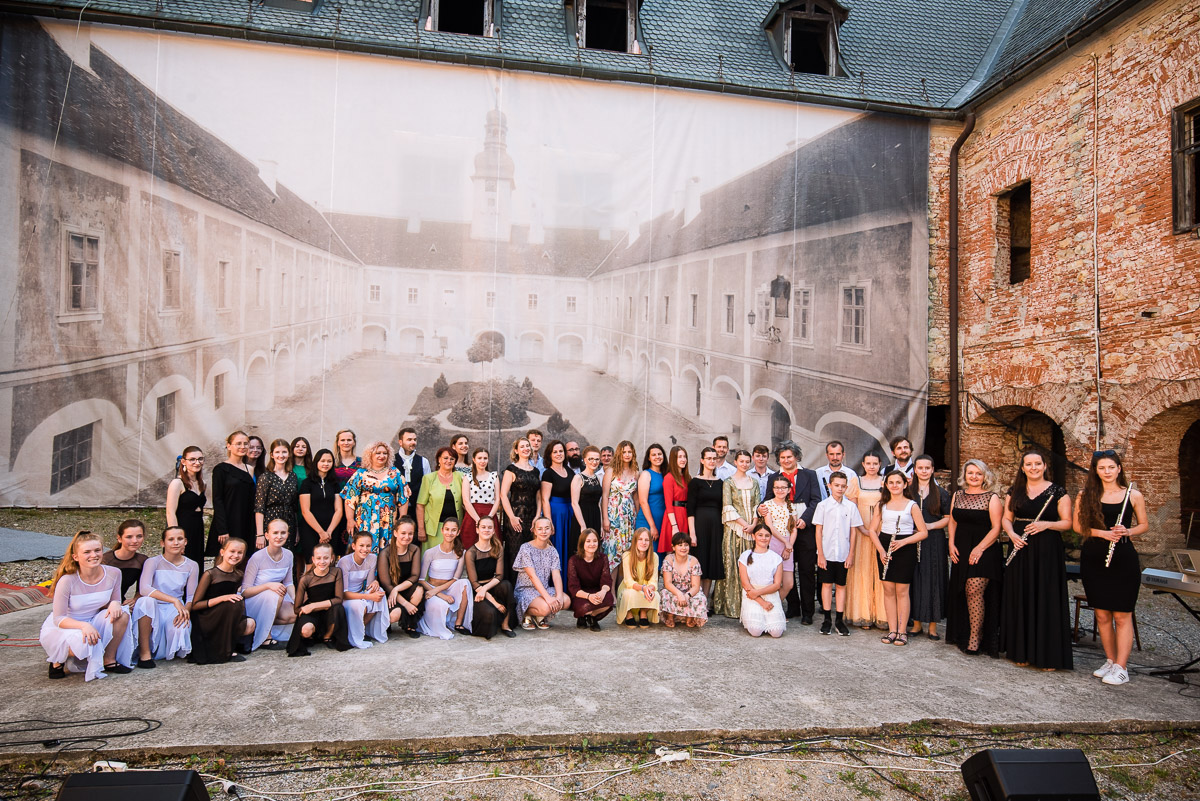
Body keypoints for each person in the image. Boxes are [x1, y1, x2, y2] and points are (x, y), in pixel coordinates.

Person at [1075, 450, 1148, 686]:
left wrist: (1127, 531)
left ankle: (1121, 667)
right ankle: (1110, 660)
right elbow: (1078, 526)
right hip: (1094, 556)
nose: (1107, 472)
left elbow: (1144, 525)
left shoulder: (1132, 495)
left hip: (1123, 557)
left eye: (1111, 467)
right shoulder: (1085, 495)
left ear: (1119, 468)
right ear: (1096, 471)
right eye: (1101, 468)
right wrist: (1103, 533)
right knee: (1102, 614)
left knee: (1122, 614)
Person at [1000, 448, 1074, 670]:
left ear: (1044, 466)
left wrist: (1046, 524)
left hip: (1047, 550)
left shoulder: (1058, 492)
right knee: (1020, 596)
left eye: (1037, 464)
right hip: (1020, 546)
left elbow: (1068, 523)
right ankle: (1020, 651)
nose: (1033, 468)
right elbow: (1006, 518)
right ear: (1023, 468)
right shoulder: (1015, 491)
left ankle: (1047, 656)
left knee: (1046, 597)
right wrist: (1012, 535)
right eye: (1029, 464)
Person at [40, 531, 133, 680]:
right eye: (87, 552)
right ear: (76, 557)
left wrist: (115, 604)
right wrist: (83, 626)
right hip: (68, 624)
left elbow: (115, 599)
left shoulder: (114, 573)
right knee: (85, 645)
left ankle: (109, 659)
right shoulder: (67, 580)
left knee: (122, 615)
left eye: (97, 550)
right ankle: (58, 659)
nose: (94, 555)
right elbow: (58, 618)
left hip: (94, 618)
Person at [946, 459, 1004, 656]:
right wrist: (951, 543)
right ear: (965, 475)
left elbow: (997, 528)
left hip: (985, 550)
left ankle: (975, 637)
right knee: (962, 590)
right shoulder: (958, 495)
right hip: (961, 548)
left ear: (984, 476)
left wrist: (979, 549)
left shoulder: (992, 498)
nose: (974, 476)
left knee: (973, 589)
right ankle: (962, 632)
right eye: (970, 473)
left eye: (978, 473)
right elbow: (952, 521)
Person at [868, 470, 928, 646]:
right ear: (886, 485)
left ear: (905, 484)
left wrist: (904, 543)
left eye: (898, 482)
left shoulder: (912, 505)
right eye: (891, 482)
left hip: (904, 547)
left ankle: (902, 632)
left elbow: (923, 532)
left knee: (902, 591)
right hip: (885, 545)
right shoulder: (882, 504)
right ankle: (892, 630)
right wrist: (880, 550)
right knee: (888, 590)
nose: (894, 485)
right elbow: (872, 530)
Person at [763, 443, 821, 622]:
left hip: (804, 527)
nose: (786, 460)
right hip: (781, 531)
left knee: (806, 570)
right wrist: (761, 509)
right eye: (782, 457)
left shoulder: (809, 474)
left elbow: (816, 500)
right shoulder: (774, 476)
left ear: (796, 456)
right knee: (785, 569)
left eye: (789, 457)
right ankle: (793, 606)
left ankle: (808, 611)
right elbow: (766, 500)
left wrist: (805, 519)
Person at [133, 526, 199, 668]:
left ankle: (166, 648)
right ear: (163, 543)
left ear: (185, 542)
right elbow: (144, 588)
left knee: (180, 627)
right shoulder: (153, 562)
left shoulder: (192, 565)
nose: (176, 542)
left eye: (180, 539)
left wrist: (186, 610)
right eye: (171, 539)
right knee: (145, 602)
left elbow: (191, 596)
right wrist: (173, 600)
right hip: (153, 604)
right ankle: (145, 653)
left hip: (174, 607)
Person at [814, 472, 866, 637]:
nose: (840, 488)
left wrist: (850, 554)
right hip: (827, 553)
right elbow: (818, 530)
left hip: (843, 553)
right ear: (829, 486)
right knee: (827, 585)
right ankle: (827, 619)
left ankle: (839, 620)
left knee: (842, 585)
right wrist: (820, 554)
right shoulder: (823, 505)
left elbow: (854, 532)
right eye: (836, 485)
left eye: (843, 486)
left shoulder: (850, 507)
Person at [188, 537, 253, 664]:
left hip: (227, 616)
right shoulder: (210, 574)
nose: (235, 555)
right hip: (207, 616)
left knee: (249, 622)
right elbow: (195, 605)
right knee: (232, 604)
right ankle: (222, 649)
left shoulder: (238, 575)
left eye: (240, 553)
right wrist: (223, 598)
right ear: (222, 552)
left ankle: (230, 644)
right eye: (232, 551)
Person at [909, 455, 951, 640]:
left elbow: (948, 518)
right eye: (920, 468)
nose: (924, 471)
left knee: (934, 579)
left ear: (932, 469)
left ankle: (933, 626)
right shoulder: (908, 492)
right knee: (915, 578)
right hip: (911, 539)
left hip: (934, 541)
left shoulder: (941, 493)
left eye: (927, 468)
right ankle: (916, 623)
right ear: (915, 470)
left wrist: (929, 526)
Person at [715, 451, 761, 618]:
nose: (744, 464)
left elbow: (757, 504)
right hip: (735, 528)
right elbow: (727, 506)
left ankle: (749, 604)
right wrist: (744, 525)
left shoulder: (754, 482)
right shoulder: (728, 482)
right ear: (735, 462)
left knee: (750, 567)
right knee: (732, 565)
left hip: (751, 529)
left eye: (747, 461)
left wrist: (753, 525)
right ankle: (731, 605)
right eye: (741, 461)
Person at [845, 452, 888, 630]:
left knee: (880, 571)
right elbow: (852, 508)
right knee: (862, 569)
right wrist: (861, 528)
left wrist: (878, 531)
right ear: (863, 464)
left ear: (880, 465)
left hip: (881, 530)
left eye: (875, 463)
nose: (872, 466)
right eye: (868, 463)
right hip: (862, 530)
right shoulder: (856, 482)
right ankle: (863, 613)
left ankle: (882, 614)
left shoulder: (885, 481)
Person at [240, 519, 297, 651]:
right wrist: (268, 586)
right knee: (275, 593)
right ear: (267, 535)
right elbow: (245, 591)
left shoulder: (288, 555)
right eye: (275, 532)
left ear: (288, 534)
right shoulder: (257, 557)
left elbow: (288, 583)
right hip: (255, 598)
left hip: (277, 597)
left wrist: (295, 600)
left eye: (283, 533)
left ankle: (260, 624)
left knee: (294, 614)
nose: (279, 536)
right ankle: (266, 637)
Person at [342, 441, 408, 552]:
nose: (382, 456)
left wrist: (401, 519)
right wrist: (349, 519)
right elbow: (350, 498)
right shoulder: (360, 473)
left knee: (387, 551)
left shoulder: (395, 473)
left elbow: (404, 497)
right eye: (378, 453)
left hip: (388, 520)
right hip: (365, 520)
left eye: (385, 453)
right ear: (370, 455)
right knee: (364, 549)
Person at [287, 543, 351, 657]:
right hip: (313, 614)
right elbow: (297, 609)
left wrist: (314, 606)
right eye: (318, 558)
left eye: (326, 558)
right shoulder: (305, 579)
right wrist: (311, 608)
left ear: (332, 558)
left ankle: (327, 636)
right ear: (313, 559)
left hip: (330, 611)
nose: (322, 561)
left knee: (338, 609)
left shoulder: (336, 572)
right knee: (306, 631)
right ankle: (313, 635)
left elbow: (338, 599)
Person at [418, 519, 473, 639]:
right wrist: (438, 593)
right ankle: (440, 622)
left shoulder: (461, 553)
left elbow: (455, 578)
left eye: (453, 530)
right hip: (432, 588)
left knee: (465, 582)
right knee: (441, 606)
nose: (450, 533)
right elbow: (421, 579)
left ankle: (458, 623)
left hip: (450, 588)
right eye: (447, 529)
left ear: (458, 532)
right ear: (442, 531)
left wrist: (443, 593)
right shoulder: (430, 552)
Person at [208, 431, 257, 559]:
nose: (242, 446)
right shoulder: (220, 469)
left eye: (246, 444)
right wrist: (222, 529)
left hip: (246, 520)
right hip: (228, 520)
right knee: (224, 557)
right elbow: (217, 499)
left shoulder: (249, 469)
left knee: (244, 557)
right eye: (238, 443)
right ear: (229, 446)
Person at [465, 517, 515, 639]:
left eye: (489, 527)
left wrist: (485, 588)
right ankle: (494, 616)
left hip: (491, 585)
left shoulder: (498, 549)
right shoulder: (471, 552)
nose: (486, 530)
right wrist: (494, 602)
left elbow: (499, 576)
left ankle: (505, 624)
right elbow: (474, 582)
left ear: (493, 531)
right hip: (477, 591)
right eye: (483, 527)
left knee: (506, 585)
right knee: (490, 613)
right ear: (477, 530)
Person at [500, 437, 543, 580]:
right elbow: (503, 495)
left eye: (528, 446)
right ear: (516, 450)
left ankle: (529, 587)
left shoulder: (536, 471)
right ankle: (513, 592)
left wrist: (537, 516)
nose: (526, 448)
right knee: (515, 552)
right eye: (522, 446)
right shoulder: (511, 469)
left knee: (531, 553)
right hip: (515, 517)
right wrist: (511, 517)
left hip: (532, 518)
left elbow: (538, 497)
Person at [756, 475, 799, 615]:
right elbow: (770, 527)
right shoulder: (767, 505)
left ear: (788, 490)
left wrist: (789, 546)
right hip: (773, 542)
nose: (780, 490)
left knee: (788, 584)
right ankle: (768, 610)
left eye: (783, 488)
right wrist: (785, 542)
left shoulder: (791, 506)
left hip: (788, 546)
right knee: (771, 581)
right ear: (773, 489)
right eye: (777, 487)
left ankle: (773, 608)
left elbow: (793, 529)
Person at [513, 518, 565, 630]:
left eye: (547, 528)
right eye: (540, 529)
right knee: (546, 607)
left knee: (566, 601)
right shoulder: (525, 548)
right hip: (526, 589)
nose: (543, 531)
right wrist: (548, 598)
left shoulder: (552, 551)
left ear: (552, 530)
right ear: (534, 531)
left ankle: (538, 615)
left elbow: (556, 575)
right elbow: (532, 576)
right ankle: (527, 614)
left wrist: (559, 596)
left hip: (544, 588)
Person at [338, 532, 389, 648]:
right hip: (347, 598)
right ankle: (353, 634)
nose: (365, 549)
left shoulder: (372, 558)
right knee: (359, 605)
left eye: (368, 546)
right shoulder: (344, 562)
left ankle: (363, 629)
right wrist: (369, 597)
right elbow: (344, 594)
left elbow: (369, 585)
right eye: (361, 546)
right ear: (354, 546)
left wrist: (375, 583)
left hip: (361, 593)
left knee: (379, 592)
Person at [298, 449, 346, 571]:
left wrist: (328, 532)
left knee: (329, 564)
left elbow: (339, 510)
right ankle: (308, 590)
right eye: (322, 461)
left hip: (331, 529)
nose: (326, 464)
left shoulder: (334, 484)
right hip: (311, 529)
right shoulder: (307, 483)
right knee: (311, 563)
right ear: (316, 462)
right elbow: (305, 511)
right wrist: (321, 532)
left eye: (329, 461)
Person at [687, 447, 724, 600]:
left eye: (714, 458)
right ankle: (696, 598)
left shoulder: (721, 483)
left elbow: (723, 507)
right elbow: (690, 509)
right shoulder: (695, 482)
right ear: (702, 460)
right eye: (708, 458)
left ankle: (705, 600)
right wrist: (692, 534)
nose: (711, 461)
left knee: (711, 562)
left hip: (716, 527)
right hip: (699, 526)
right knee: (700, 562)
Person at [378, 517, 425, 638]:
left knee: (419, 589)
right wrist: (405, 603)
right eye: (403, 533)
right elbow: (386, 584)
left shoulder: (414, 549)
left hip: (404, 588)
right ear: (395, 533)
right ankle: (388, 623)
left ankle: (410, 624)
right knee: (394, 615)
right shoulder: (385, 553)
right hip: (390, 594)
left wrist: (397, 588)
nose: (407, 536)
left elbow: (415, 576)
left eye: (410, 533)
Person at [738, 523, 786, 638]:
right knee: (756, 631)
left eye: (767, 535)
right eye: (760, 535)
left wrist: (759, 593)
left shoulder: (776, 558)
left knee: (776, 633)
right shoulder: (745, 556)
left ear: (770, 537)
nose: (763, 538)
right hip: (752, 595)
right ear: (754, 536)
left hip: (770, 593)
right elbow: (745, 583)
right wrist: (762, 602)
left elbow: (777, 585)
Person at [254, 439, 299, 555]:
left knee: (288, 557)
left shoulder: (293, 477)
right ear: (272, 455)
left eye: (284, 452)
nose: (281, 455)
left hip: (289, 523)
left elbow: (294, 506)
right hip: (271, 521)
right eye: (277, 452)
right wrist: (260, 534)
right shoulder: (266, 477)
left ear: (288, 454)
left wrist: (297, 531)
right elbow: (259, 507)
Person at [601, 440, 639, 573]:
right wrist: (605, 519)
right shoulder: (611, 471)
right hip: (614, 516)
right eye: (624, 452)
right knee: (613, 553)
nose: (627, 455)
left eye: (629, 452)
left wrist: (638, 518)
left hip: (629, 518)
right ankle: (610, 591)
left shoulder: (636, 472)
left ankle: (623, 590)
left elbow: (636, 497)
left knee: (627, 554)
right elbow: (605, 496)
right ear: (619, 453)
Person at [416, 447, 464, 552]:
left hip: (455, 530)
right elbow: (420, 505)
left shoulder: (461, 477)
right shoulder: (428, 478)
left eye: (452, 459)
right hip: (434, 530)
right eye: (445, 458)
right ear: (439, 460)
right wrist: (421, 529)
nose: (448, 461)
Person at [567, 528, 614, 631]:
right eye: (588, 541)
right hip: (581, 594)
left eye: (595, 541)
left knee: (609, 600)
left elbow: (606, 580)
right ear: (582, 543)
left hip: (597, 591)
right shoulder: (573, 560)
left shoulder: (603, 558)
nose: (592, 544)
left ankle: (592, 617)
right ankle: (582, 616)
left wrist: (602, 592)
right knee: (585, 607)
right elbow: (573, 587)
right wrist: (589, 596)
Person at [167, 447, 207, 567]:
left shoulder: (202, 483)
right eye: (192, 459)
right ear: (184, 462)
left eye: (200, 459)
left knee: (196, 562)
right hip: (183, 527)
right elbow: (170, 512)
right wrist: (176, 539)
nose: (197, 462)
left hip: (198, 527)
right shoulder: (177, 483)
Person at [540, 440, 576, 568]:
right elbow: (545, 499)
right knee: (558, 546)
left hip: (570, 512)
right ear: (550, 455)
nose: (558, 454)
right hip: (555, 513)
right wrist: (549, 521)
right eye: (555, 452)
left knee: (569, 547)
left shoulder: (570, 472)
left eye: (561, 451)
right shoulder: (548, 473)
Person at [661, 533, 708, 628]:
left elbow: (696, 586)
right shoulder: (669, 559)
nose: (683, 548)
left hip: (689, 591)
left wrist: (686, 595)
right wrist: (679, 594)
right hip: (673, 590)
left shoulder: (693, 561)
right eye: (680, 545)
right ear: (673, 547)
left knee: (701, 598)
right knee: (665, 594)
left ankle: (690, 616)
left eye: (686, 545)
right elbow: (667, 583)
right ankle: (670, 616)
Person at [615, 527, 659, 628]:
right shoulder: (627, 555)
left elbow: (654, 581)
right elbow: (628, 581)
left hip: (646, 589)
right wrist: (643, 588)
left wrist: (649, 589)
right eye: (640, 539)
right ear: (635, 541)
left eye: (646, 540)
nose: (643, 542)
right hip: (630, 588)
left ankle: (643, 611)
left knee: (656, 595)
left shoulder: (654, 556)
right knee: (629, 594)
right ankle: (628, 613)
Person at [461, 448, 500, 550]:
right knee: (470, 545)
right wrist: (478, 520)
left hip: (490, 514)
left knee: (492, 546)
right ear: (474, 460)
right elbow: (466, 500)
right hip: (473, 515)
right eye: (479, 458)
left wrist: (489, 518)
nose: (482, 461)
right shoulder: (467, 477)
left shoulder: (494, 476)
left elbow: (497, 499)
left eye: (485, 458)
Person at [102, 519, 148, 605]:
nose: (135, 541)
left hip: (121, 603)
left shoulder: (142, 561)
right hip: (102, 604)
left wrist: (135, 599)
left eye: (139, 536)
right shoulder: (106, 559)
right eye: (129, 537)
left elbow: (142, 588)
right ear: (119, 538)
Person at [571, 447, 605, 551]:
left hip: (595, 516)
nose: (594, 462)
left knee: (594, 550)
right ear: (584, 460)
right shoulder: (578, 478)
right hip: (582, 517)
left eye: (597, 459)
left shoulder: (598, 478)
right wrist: (583, 526)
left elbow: (599, 503)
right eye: (591, 459)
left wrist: (602, 525)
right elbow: (574, 503)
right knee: (581, 550)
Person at [659, 445, 691, 555]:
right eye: (679, 457)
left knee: (683, 550)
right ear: (674, 459)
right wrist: (674, 526)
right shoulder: (669, 478)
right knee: (672, 550)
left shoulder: (687, 477)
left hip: (685, 515)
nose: (683, 459)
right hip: (673, 517)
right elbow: (668, 504)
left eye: (684, 456)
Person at [634, 443, 667, 539]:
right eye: (653, 455)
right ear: (648, 458)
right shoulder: (646, 474)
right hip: (648, 521)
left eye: (660, 454)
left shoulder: (666, 474)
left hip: (662, 519)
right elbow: (643, 502)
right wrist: (652, 526)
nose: (657, 457)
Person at [393, 427, 430, 499]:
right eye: (409, 440)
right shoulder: (391, 461)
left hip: (417, 506)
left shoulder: (424, 461)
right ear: (400, 442)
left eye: (415, 440)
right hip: (396, 506)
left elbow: (427, 486)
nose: (413, 442)